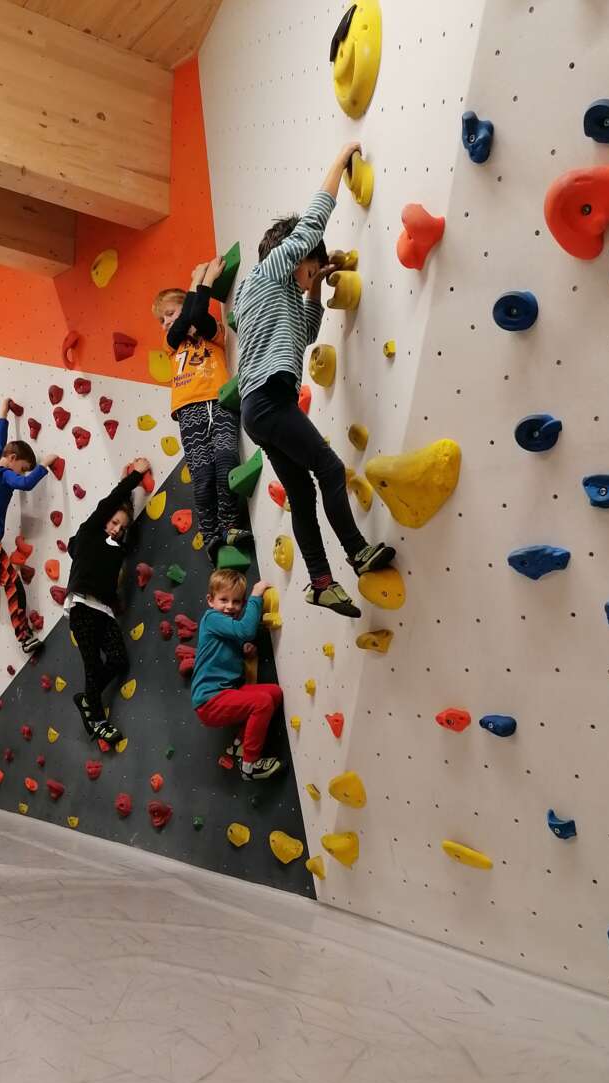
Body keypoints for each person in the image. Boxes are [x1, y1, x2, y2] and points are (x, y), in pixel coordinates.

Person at [234, 141, 395, 618]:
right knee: (327, 467)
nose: (309, 276)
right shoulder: (267, 274)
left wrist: (317, 287)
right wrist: (340, 161)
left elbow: (305, 334)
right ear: (292, 257)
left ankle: (321, 583)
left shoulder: (278, 296)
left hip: (260, 408)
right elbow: (311, 224)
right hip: (268, 399)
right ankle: (357, 551)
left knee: (303, 493)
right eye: (308, 267)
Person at [153, 260, 253, 564]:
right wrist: (200, 279)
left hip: (218, 403)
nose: (165, 322)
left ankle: (229, 526)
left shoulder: (214, 331)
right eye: (161, 319)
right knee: (202, 475)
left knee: (226, 460)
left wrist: (202, 279)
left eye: (169, 314)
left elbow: (196, 315)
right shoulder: (172, 343)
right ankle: (210, 535)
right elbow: (184, 322)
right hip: (188, 410)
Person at [66, 458, 151, 746]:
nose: (117, 529)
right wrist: (135, 476)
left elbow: (117, 562)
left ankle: (87, 700)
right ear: (104, 519)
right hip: (82, 607)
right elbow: (111, 501)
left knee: (118, 660)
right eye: (114, 522)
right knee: (92, 665)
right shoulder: (90, 531)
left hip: (103, 611)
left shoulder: (116, 549)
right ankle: (98, 720)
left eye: (121, 527)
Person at [0, 398, 55, 653]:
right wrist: (44, 465)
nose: (22, 473)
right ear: (13, 459)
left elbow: (0, 442)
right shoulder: (6, 475)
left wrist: (4, 412)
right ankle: (24, 637)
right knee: (12, 582)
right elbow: (25, 484)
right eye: (23, 468)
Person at [191, 568, 286, 781]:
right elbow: (246, 630)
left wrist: (243, 651)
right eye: (223, 600)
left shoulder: (227, 628)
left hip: (226, 693)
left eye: (236, 602)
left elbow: (226, 647)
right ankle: (249, 766)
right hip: (210, 699)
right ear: (210, 600)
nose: (230, 606)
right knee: (262, 702)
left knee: (274, 693)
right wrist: (256, 595)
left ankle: (241, 743)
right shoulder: (211, 618)